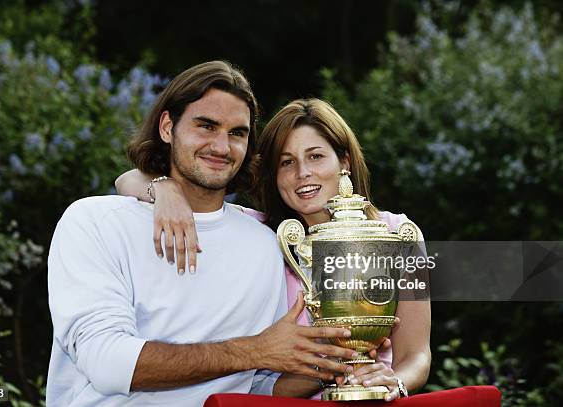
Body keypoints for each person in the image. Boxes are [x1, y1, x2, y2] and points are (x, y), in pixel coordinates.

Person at [46, 62, 359, 407]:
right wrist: (257, 351)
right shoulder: (95, 222)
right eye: (206, 126)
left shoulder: (264, 244)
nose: (221, 146)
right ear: (167, 127)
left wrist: (336, 361)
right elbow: (107, 363)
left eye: (237, 133)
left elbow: (255, 388)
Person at [116, 98, 432, 401]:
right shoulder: (258, 234)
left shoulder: (397, 234)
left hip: (375, 399)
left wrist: (394, 381)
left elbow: (415, 355)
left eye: (316, 156)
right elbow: (126, 180)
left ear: (344, 161)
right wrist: (165, 188)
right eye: (286, 162)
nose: (302, 173)